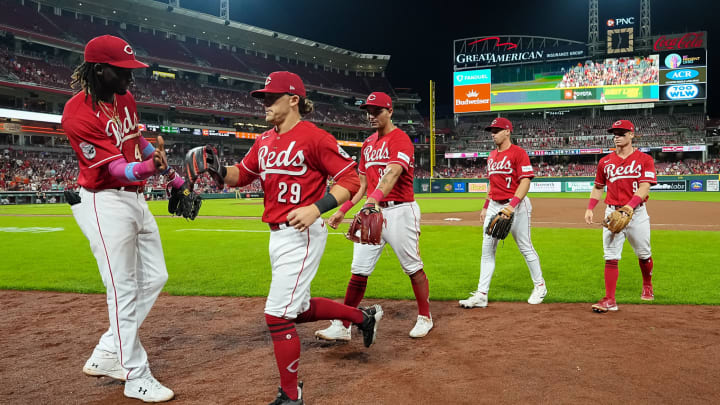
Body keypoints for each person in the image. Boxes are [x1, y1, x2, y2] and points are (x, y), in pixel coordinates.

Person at [195, 71, 383, 405]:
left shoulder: (315, 137)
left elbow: (350, 180)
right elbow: (242, 175)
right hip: (277, 235)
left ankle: (290, 395)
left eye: (270, 97)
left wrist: (318, 207)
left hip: (302, 233)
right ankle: (362, 317)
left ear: (293, 99)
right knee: (297, 309)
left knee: (277, 315)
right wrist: (219, 171)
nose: (264, 103)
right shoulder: (263, 141)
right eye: (263, 98)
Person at [62, 35, 186, 402]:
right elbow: (116, 168)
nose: (131, 78)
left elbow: (137, 141)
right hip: (104, 202)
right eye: (123, 71)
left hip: (136, 200)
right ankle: (135, 375)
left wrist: (171, 175)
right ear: (99, 70)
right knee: (123, 289)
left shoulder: (124, 98)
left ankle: (106, 352)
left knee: (157, 275)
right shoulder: (77, 113)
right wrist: (149, 168)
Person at [314, 91, 432, 340]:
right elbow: (361, 184)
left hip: (400, 210)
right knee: (358, 270)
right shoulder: (368, 144)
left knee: (412, 267)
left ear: (390, 111)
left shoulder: (401, 140)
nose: (371, 116)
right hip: (372, 209)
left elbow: (392, 174)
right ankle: (344, 326)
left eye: (376, 111)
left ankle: (425, 316)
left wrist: (372, 202)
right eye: (368, 111)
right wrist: (342, 211)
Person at [459, 117, 547, 308]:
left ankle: (540, 286)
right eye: (492, 130)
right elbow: (492, 185)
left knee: (525, 246)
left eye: (497, 130)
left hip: (516, 205)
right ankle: (482, 294)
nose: (493, 133)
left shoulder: (518, 153)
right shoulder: (491, 156)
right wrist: (485, 206)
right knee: (487, 250)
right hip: (494, 206)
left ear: (508, 131)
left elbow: (525, 181)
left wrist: (512, 206)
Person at [585, 120, 657, 313]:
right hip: (612, 212)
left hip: (636, 212)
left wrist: (629, 207)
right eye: (615, 133)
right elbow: (598, 187)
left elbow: (645, 187)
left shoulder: (644, 159)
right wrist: (590, 207)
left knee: (643, 253)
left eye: (621, 133)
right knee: (610, 256)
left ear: (632, 135)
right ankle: (610, 299)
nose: (617, 136)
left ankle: (647, 284)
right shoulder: (605, 162)